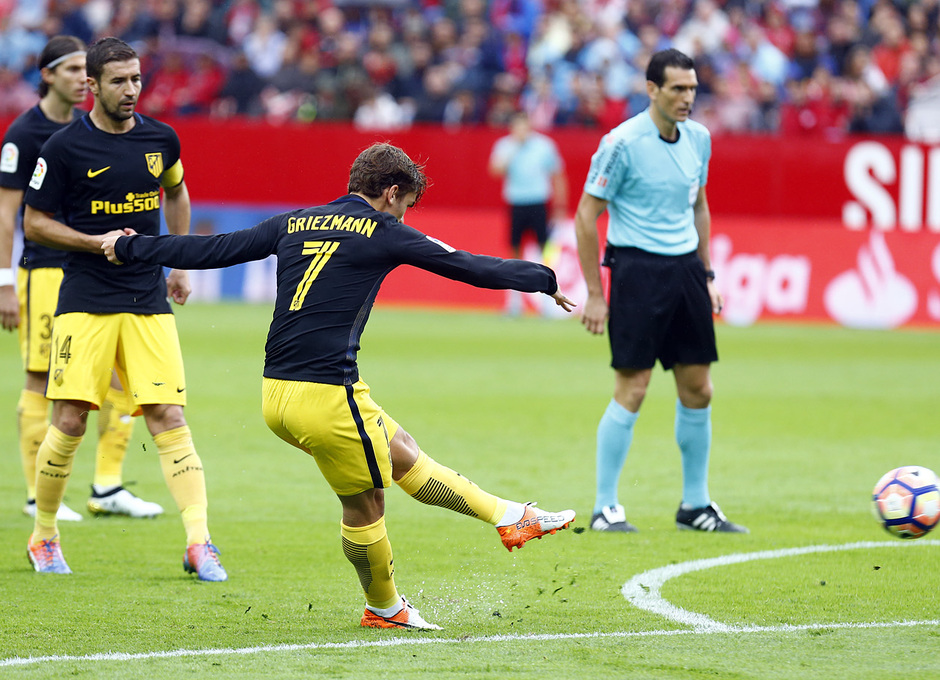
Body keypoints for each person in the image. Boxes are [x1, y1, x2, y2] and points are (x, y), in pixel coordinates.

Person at [102, 142, 577, 630]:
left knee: (401, 451)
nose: (405, 217)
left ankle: (507, 515)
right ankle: (385, 607)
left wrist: (130, 245)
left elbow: (211, 249)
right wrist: (542, 277)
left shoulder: (295, 221)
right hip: (327, 395)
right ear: (392, 193)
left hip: (276, 395)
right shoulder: (383, 231)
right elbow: (468, 265)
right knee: (366, 501)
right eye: (406, 206)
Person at [22, 37, 227, 580]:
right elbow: (34, 223)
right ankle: (44, 536)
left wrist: (179, 262)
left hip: (146, 301)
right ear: (92, 86)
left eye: (137, 78)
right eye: (119, 81)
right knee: (68, 417)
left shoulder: (162, 138)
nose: (132, 89)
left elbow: (177, 193)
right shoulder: (64, 147)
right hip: (85, 300)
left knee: (168, 415)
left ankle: (199, 540)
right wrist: (96, 242)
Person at [573, 48, 748, 535]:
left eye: (692, 88)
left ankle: (695, 505)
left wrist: (708, 275)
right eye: (678, 88)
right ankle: (606, 507)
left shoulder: (699, 139)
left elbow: (701, 208)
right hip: (636, 272)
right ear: (652, 89)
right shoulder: (621, 143)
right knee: (633, 388)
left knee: (698, 388)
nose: (688, 97)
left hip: (687, 272)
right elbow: (586, 217)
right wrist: (594, 293)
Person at [0, 35, 163, 523]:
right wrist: (4, 278)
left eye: (82, 71)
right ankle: (36, 496)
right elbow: (8, 213)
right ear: (48, 75)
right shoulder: (26, 135)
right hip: (44, 272)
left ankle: (107, 485)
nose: (79, 79)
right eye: (71, 70)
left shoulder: (89, 128)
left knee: (116, 378)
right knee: (43, 377)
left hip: (92, 272)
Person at [488, 110, 567, 316]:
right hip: (516, 202)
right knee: (514, 251)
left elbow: (557, 174)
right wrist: (514, 149)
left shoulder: (544, 145)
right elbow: (495, 170)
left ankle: (548, 302)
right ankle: (514, 302)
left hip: (539, 202)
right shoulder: (505, 146)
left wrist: (560, 205)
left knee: (543, 250)